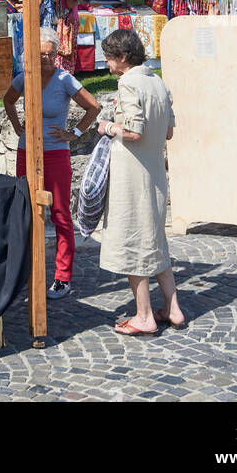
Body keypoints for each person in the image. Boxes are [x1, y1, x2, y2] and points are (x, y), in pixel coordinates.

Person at [96, 27, 184, 335]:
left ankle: (144, 315)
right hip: (155, 174)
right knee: (155, 241)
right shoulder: (158, 83)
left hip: (132, 177)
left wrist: (107, 127)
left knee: (133, 241)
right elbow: (169, 132)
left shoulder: (128, 83)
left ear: (122, 57)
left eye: (109, 59)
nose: (106, 65)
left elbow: (133, 132)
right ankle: (173, 309)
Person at [3, 31, 100, 299]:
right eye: (40, 53)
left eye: (49, 53)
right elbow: (8, 99)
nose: (45, 58)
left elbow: (94, 107)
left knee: (59, 213)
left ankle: (62, 277)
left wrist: (75, 133)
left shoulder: (64, 80)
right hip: (27, 152)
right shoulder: (26, 78)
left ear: (57, 55)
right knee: (24, 211)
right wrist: (16, 126)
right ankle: (23, 273)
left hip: (56, 153)